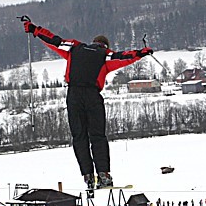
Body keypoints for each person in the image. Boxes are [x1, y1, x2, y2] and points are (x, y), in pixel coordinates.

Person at [23, 19, 153, 189]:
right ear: (105, 45)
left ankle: (88, 176)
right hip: (92, 96)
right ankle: (104, 175)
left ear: (93, 42)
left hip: (74, 95)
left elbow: (54, 40)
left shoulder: (74, 48)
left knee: (79, 136)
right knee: (98, 136)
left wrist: (34, 29)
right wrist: (142, 52)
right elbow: (124, 57)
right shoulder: (106, 55)